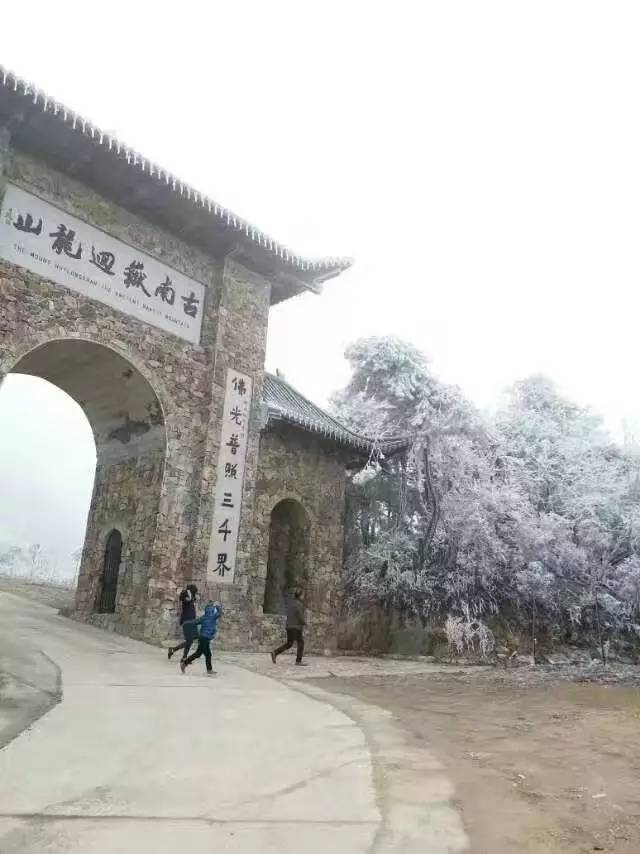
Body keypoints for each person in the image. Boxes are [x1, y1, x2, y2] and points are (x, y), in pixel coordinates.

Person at [180, 600, 223, 676]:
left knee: (198, 653)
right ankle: (209, 670)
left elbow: (194, 622)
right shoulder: (213, 616)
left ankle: (184, 663)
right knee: (208, 654)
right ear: (212, 610)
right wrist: (217, 606)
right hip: (205, 638)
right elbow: (220, 613)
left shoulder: (204, 617)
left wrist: (186, 623)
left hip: (202, 637)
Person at [271, 589, 307, 666]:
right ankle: (298, 661)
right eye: (303, 595)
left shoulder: (291, 604)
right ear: (300, 596)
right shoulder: (299, 604)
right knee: (301, 643)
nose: (303, 597)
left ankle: (275, 652)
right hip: (296, 627)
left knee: (289, 643)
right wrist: (304, 623)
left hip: (289, 626)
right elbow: (300, 616)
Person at [168, 584, 198, 661]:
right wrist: (188, 591)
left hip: (192, 622)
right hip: (187, 622)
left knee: (190, 641)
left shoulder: (191, 601)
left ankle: (174, 651)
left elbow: (193, 598)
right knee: (189, 640)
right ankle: (183, 657)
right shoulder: (186, 600)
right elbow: (187, 597)